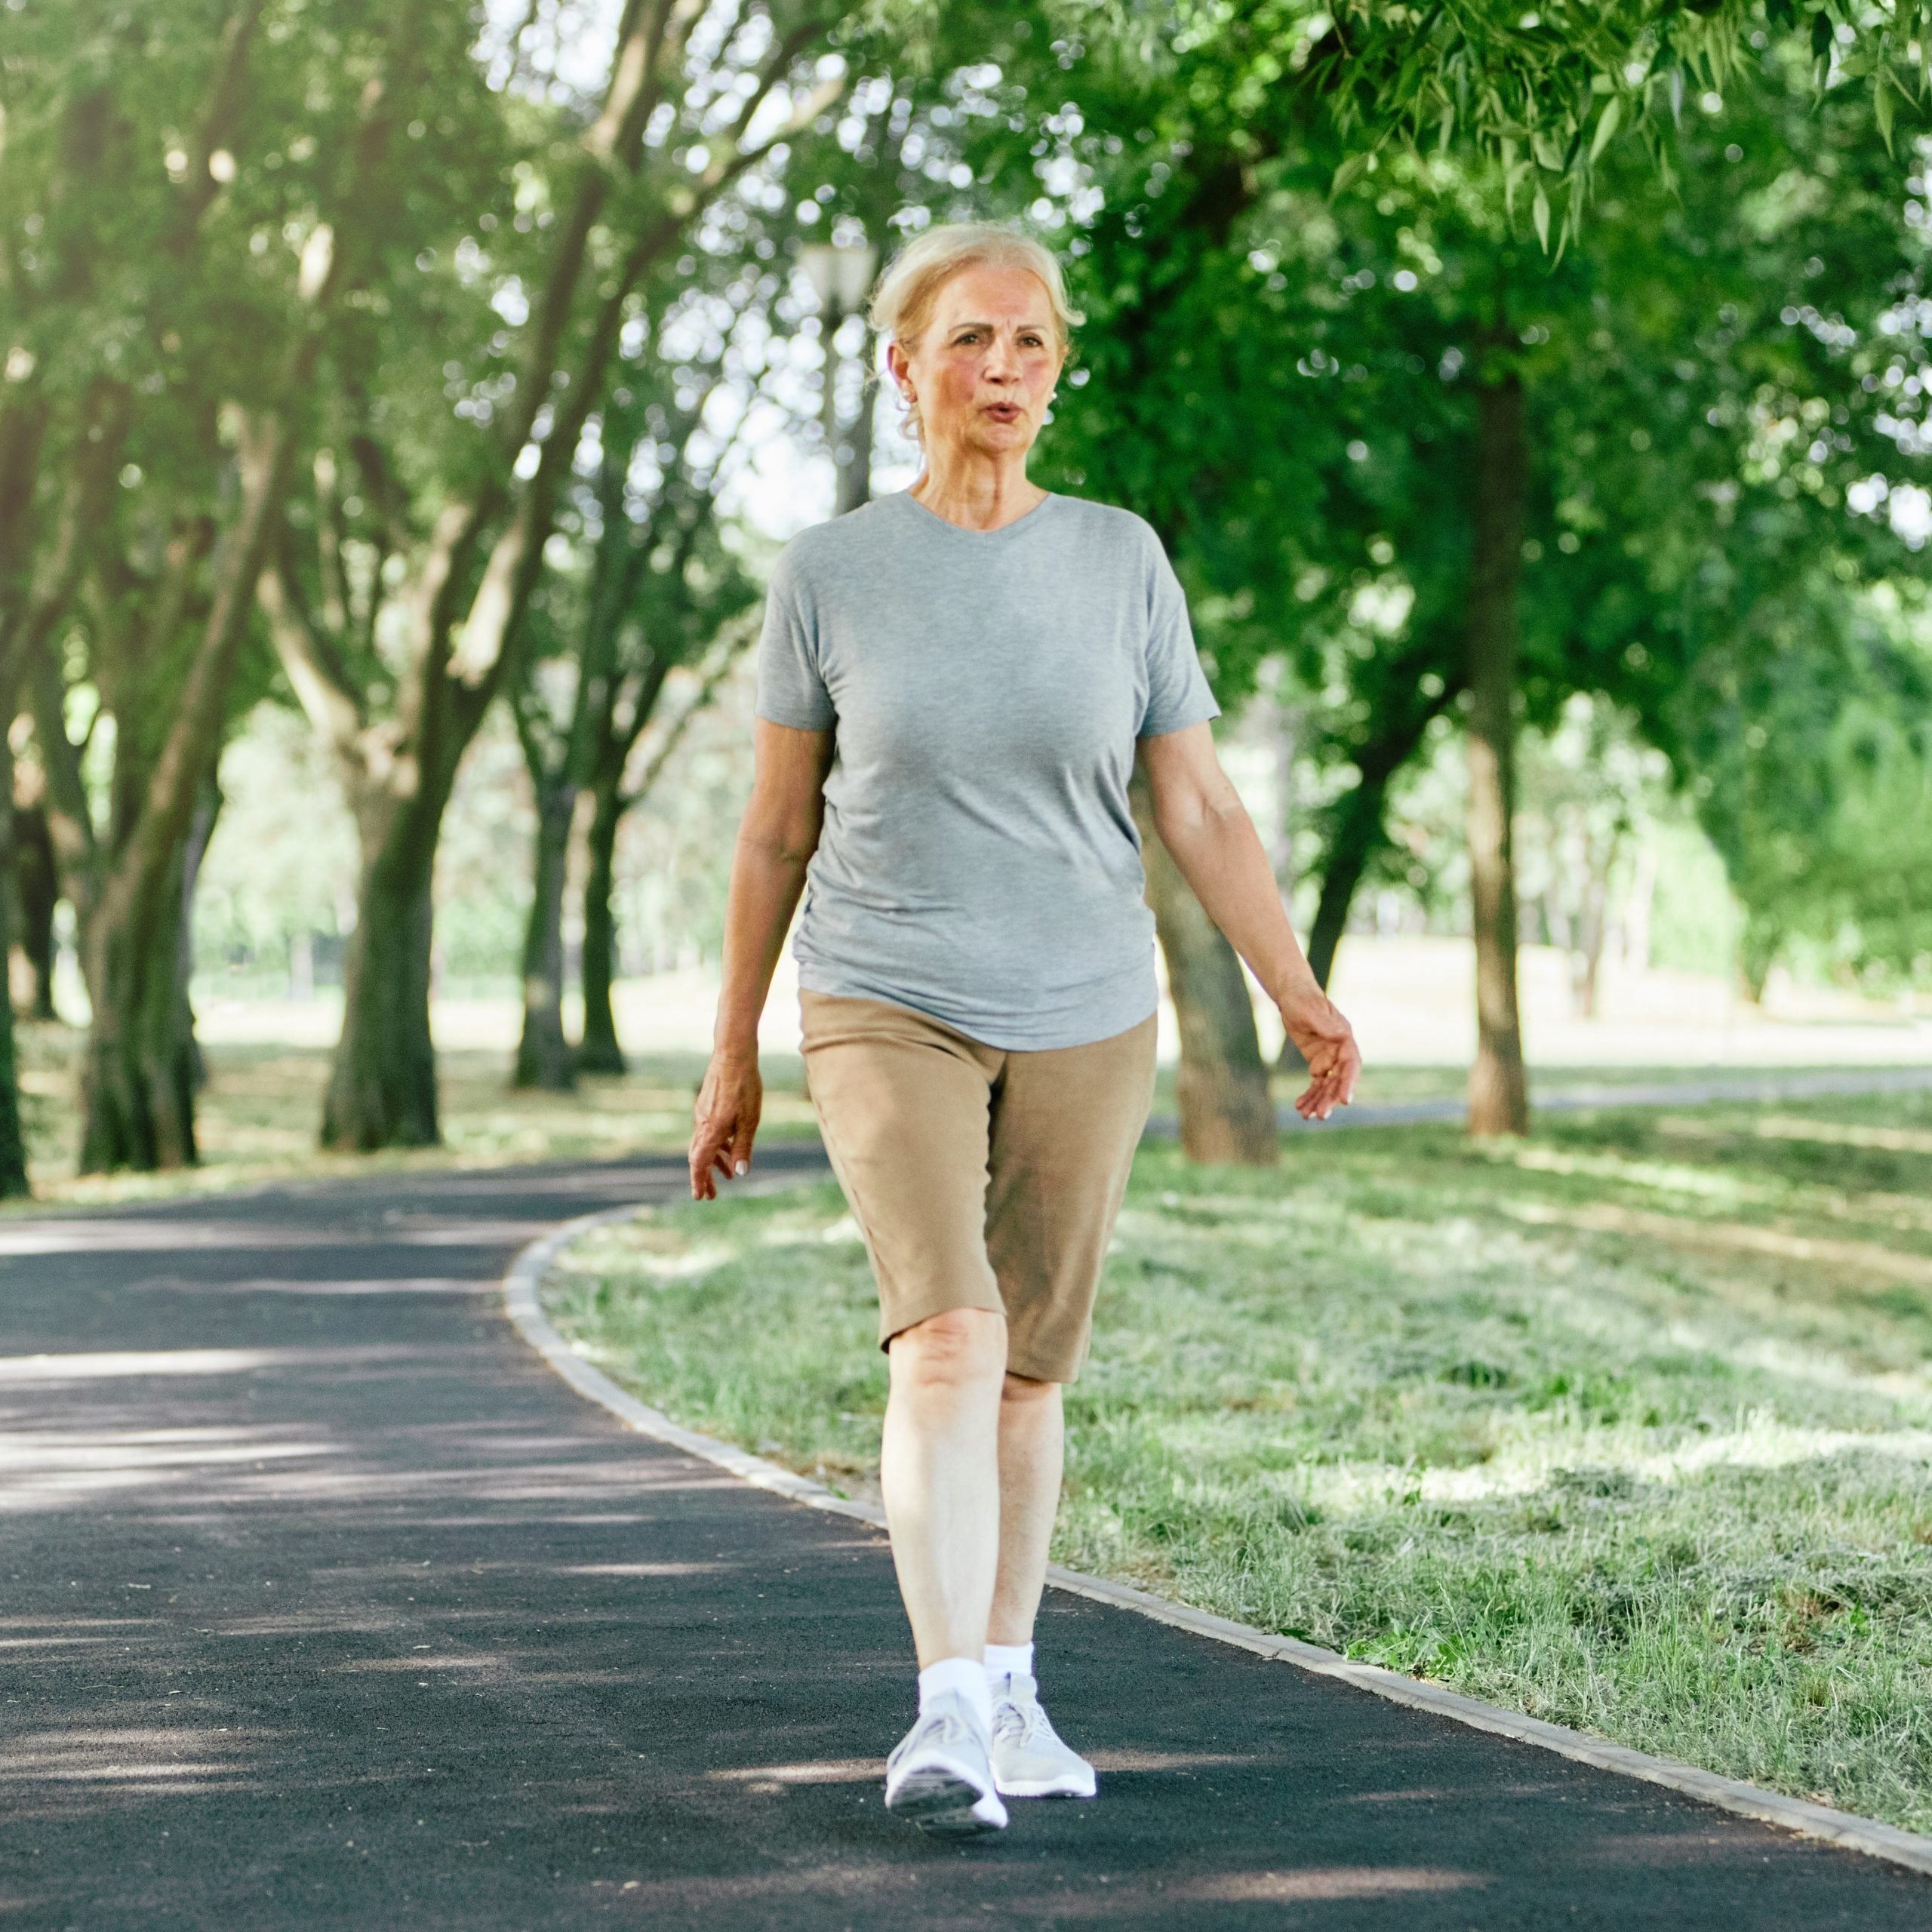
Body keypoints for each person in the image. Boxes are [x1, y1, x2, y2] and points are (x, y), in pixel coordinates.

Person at [688, 222, 1360, 1837]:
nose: (1004, 371)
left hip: (1082, 999)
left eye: (1032, 344)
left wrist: (1293, 984)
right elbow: (776, 830)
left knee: (1029, 1369)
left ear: (1057, 368)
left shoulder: (1118, 557)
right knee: (947, 1332)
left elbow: (1191, 796)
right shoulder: (830, 571)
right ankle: (936, 1716)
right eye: (972, 341)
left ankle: (1007, 1685)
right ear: (900, 362)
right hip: (883, 991)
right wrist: (729, 1048)